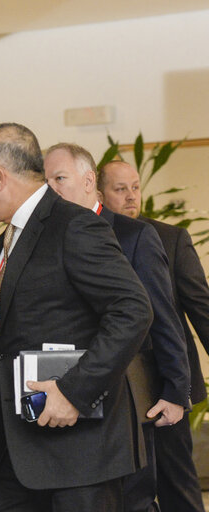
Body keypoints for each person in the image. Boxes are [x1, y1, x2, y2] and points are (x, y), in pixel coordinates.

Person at [0, 123, 152, 511]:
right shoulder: (9, 239)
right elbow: (5, 342)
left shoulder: (74, 224)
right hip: (17, 451)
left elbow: (133, 310)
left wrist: (74, 391)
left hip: (79, 455)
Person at [45, 143, 190, 512]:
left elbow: (162, 315)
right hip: (76, 392)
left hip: (133, 395)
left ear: (88, 179)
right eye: (46, 180)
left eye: (59, 178)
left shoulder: (133, 235)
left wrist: (176, 390)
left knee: (134, 498)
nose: (51, 189)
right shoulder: (48, 235)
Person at [100, 160, 207, 511]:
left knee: (178, 484)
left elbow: (201, 309)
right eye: (120, 189)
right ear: (99, 192)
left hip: (166, 387)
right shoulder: (90, 239)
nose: (131, 196)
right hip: (117, 391)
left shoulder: (170, 238)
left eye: (135, 187)